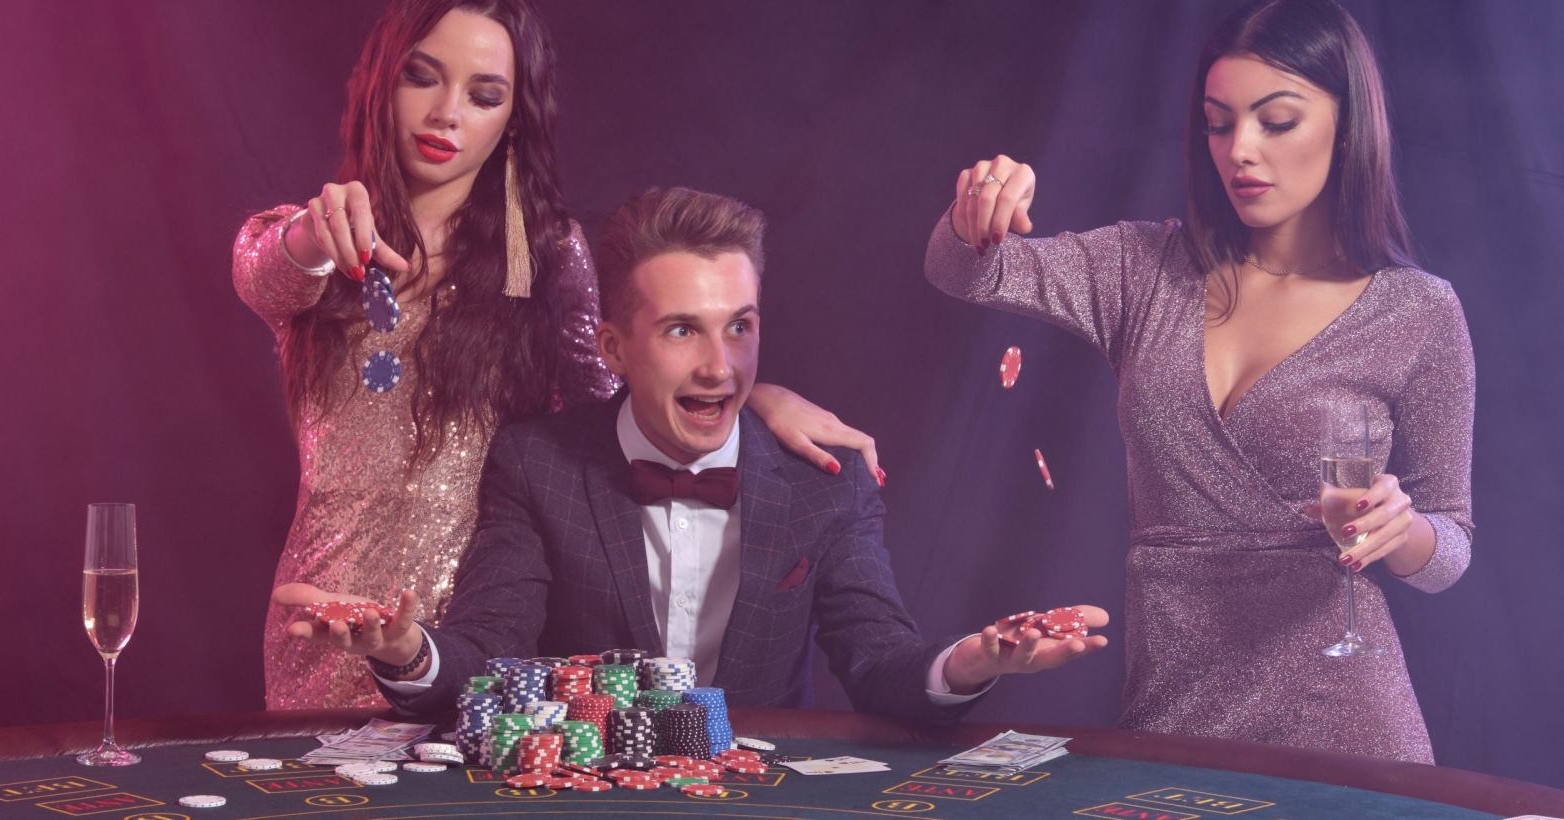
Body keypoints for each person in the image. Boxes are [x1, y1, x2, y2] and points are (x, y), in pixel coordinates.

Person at [233, 0, 881, 710]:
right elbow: (265, 278)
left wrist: (749, 393)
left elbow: (621, 407)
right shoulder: (306, 242)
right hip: (327, 619)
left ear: (514, 118)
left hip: (489, 638)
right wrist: (312, 235)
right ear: (381, 82)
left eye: (484, 94)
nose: (446, 114)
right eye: (422, 77)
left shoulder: (544, 256)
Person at [273, 186, 1110, 720]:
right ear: (612, 346)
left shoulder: (824, 481)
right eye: (682, 331)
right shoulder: (537, 465)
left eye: (739, 327)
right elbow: (484, 655)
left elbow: (881, 660)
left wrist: (968, 664)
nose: (721, 366)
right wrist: (404, 651)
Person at [924, 0, 1473, 763]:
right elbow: (961, 271)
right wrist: (978, 203)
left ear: (1347, 127)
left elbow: (1451, 548)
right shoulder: (1141, 269)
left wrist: (1401, 529)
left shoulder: (1417, 310)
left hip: (1347, 717)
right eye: (1219, 123)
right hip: (1173, 708)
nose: (1240, 149)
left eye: (1275, 121)